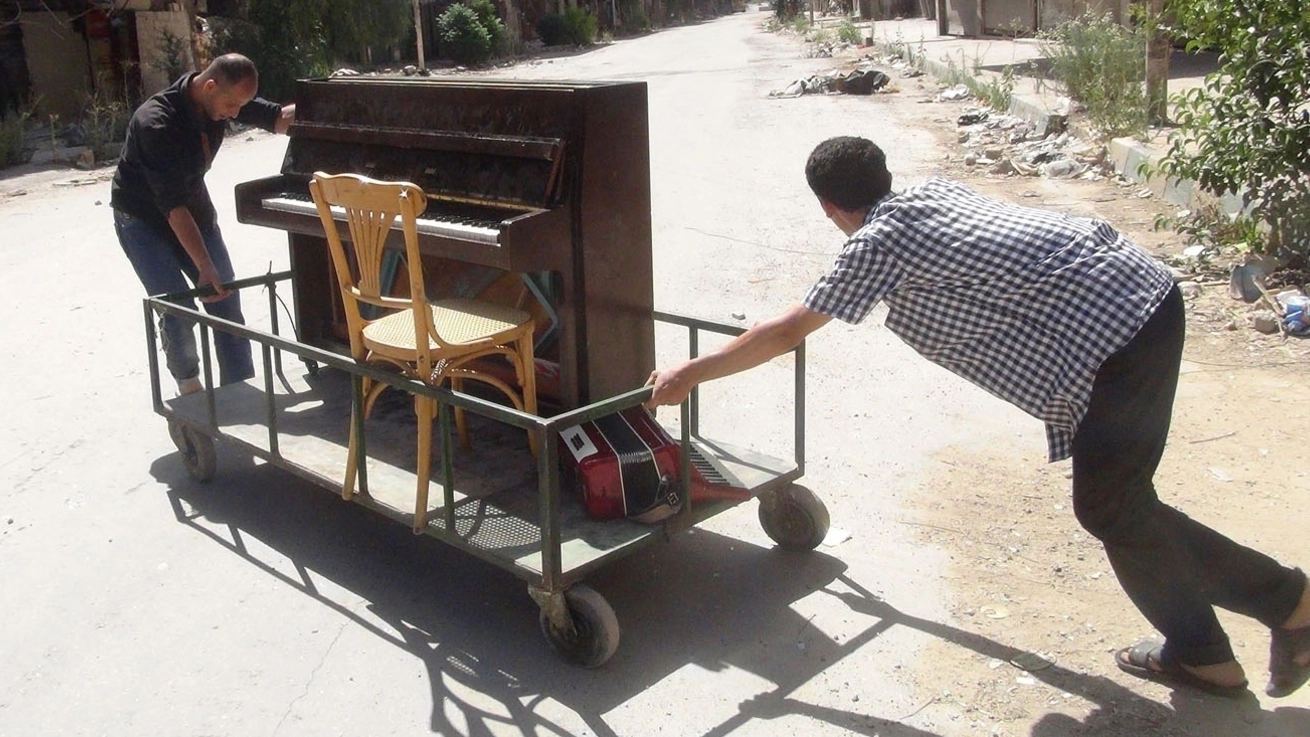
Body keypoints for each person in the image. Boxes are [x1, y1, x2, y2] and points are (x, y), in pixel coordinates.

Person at [645, 136, 1310, 699]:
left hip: (1123, 331)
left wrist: (688, 372)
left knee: (1113, 507)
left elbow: (788, 328)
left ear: (827, 206)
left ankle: (1269, 615)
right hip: (1140, 294)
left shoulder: (876, 244)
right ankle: (1225, 640)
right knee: (1120, 504)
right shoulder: (926, 195)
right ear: (884, 177)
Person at [112, 53, 295, 395]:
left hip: (192, 208)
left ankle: (239, 391)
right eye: (231, 105)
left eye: (240, 105)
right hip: (144, 221)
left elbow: (278, 118)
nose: (235, 114)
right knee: (178, 307)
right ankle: (190, 391)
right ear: (209, 86)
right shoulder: (156, 122)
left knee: (226, 303)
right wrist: (204, 265)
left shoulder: (221, 100)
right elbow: (172, 206)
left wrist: (331, 103)